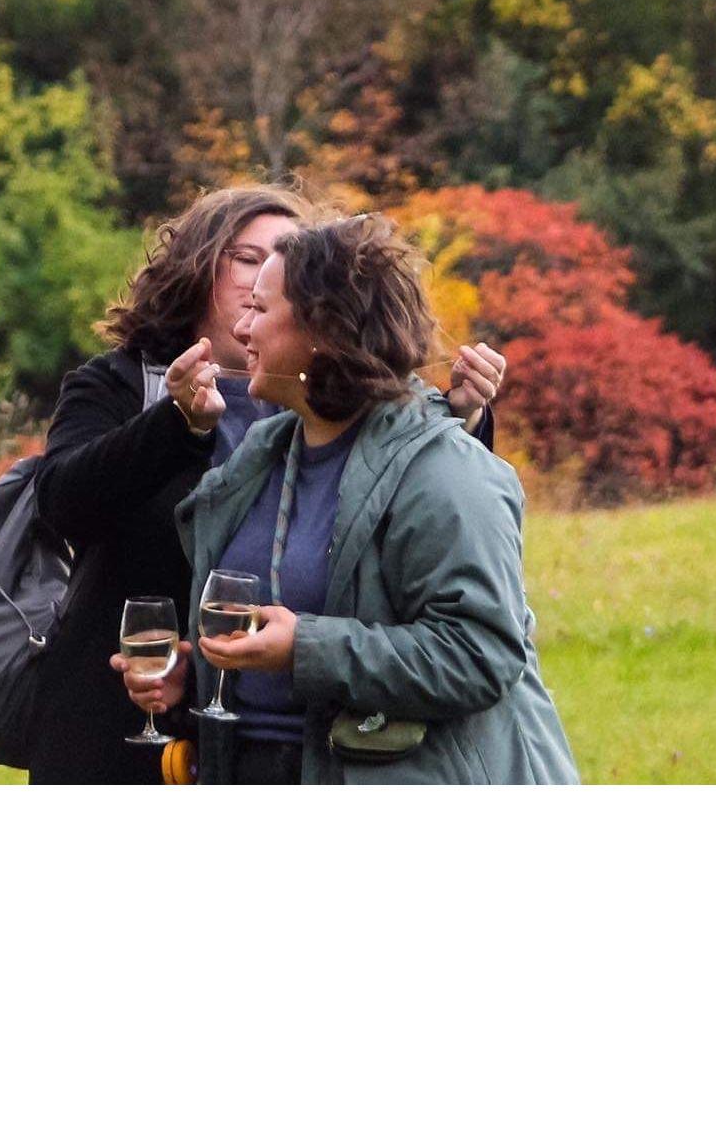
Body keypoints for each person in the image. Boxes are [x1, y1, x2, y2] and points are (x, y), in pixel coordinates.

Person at [29, 184, 507, 785]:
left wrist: (460, 421)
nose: (252, 305)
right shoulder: (186, 409)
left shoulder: (321, 424)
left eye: (272, 277)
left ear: (320, 319)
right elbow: (61, 507)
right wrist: (174, 425)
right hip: (134, 737)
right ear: (199, 268)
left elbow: (435, 590)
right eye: (247, 259)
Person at [142, 212, 576, 785]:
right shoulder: (261, 455)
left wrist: (308, 648)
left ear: (321, 331)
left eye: (261, 310)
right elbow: (266, 625)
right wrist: (192, 675)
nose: (242, 328)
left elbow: (480, 654)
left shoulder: (446, 474)